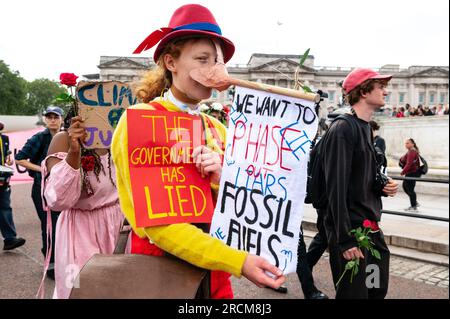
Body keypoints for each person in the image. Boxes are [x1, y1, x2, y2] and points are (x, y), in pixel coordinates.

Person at [111, 4, 285, 299]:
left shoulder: (216, 127)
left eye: (217, 62)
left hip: (215, 275)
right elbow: (160, 227)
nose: (213, 71)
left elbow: (246, 200)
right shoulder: (139, 120)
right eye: (202, 60)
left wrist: (222, 175)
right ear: (171, 62)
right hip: (161, 271)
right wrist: (237, 260)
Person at [322, 68, 398, 299]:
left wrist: (381, 183)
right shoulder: (342, 129)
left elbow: (363, 173)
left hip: (370, 228)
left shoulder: (365, 127)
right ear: (364, 91)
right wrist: (345, 240)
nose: (386, 91)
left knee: (375, 290)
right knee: (353, 295)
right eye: (380, 86)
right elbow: (336, 188)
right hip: (351, 233)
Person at [40, 102, 124, 298]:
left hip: (116, 225)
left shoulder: (119, 137)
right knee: (79, 288)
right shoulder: (64, 140)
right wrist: (75, 152)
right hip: (79, 229)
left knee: (115, 287)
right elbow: (58, 199)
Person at [15, 106, 63, 279]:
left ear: (61, 119)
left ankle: (64, 261)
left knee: (63, 225)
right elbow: (19, 158)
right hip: (41, 189)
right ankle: (50, 264)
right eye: (49, 117)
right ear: (44, 119)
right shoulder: (39, 138)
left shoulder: (66, 136)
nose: (52, 120)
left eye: (55, 117)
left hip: (62, 188)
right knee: (49, 225)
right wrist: (43, 169)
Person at [0, 121, 26, 251]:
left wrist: (7, 159)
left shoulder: (4, 139)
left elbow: (5, 156)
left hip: (2, 177)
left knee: (5, 207)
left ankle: (9, 239)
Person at [399, 138, 422, 212]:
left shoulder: (412, 151)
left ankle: (414, 206)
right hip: (410, 173)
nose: (406, 144)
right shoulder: (411, 151)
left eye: (408, 143)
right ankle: (414, 202)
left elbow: (409, 163)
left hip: (412, 173)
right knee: (406, 187)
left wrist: (403, 172)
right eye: (405, 143)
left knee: (410, 189)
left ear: (412, 144)